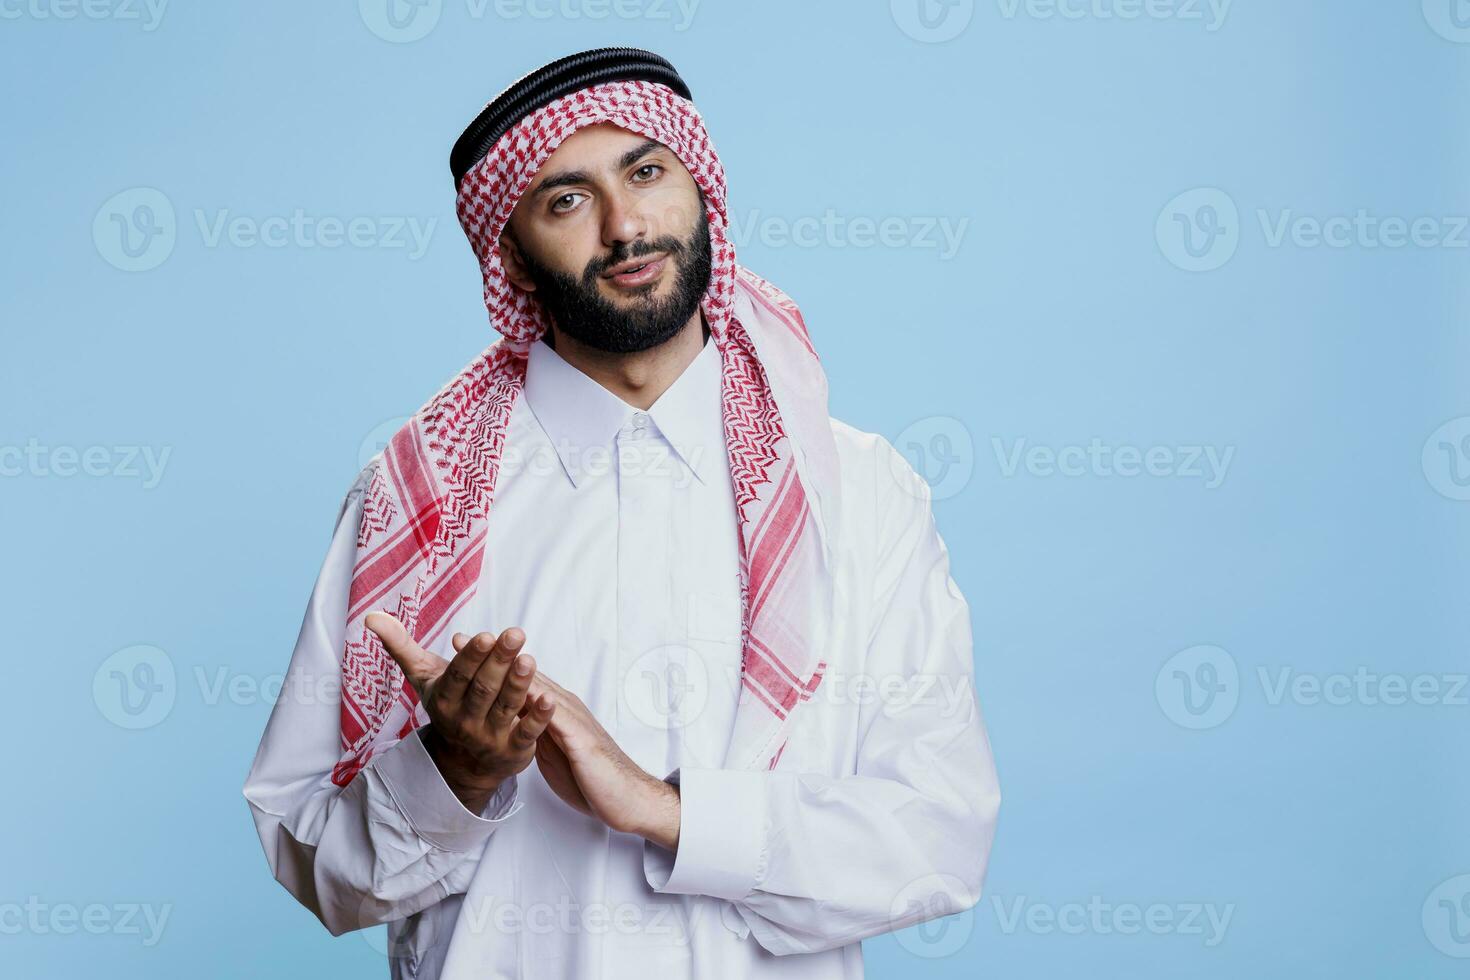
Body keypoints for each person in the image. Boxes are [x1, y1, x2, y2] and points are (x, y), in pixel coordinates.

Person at [242, 47, 1001, 980]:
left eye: (646, 171)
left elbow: (937, 837)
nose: (624, 225)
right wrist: (453, 775)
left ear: (700, 187)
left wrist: (667, 811)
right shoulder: (419, 502)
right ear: (512, 258)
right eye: (567, 200)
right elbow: (308, 855)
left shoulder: (856, 490)